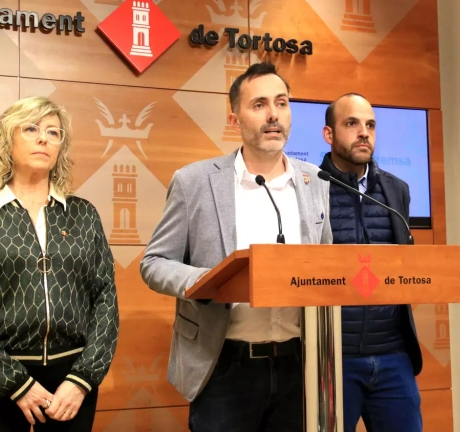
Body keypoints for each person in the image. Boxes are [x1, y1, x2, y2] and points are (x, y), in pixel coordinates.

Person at [140, 61, 332, 432]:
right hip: (224, 364)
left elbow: (326, 262)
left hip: (299, 362)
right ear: (235, 119)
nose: (273, 114)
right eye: (259, 104)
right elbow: (154, 262)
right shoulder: (194, 181)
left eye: (281, 103)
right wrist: (210, 281)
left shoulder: (316, 181)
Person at [0, 96, 120, 432]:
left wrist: (83, 378)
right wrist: (15, 384)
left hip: (71, 382)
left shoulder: (83, 214)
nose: (44, 139)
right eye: (31, 129)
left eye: (53, 133)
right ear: (6, 140)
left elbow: (105, 299)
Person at [319, 93, 423, 432]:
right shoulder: (310, 188)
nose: (364, 132)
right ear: (329, 134)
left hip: (393, 354)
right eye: (351, 123)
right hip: (334, 356)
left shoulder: (397, 189)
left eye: (370, 125)